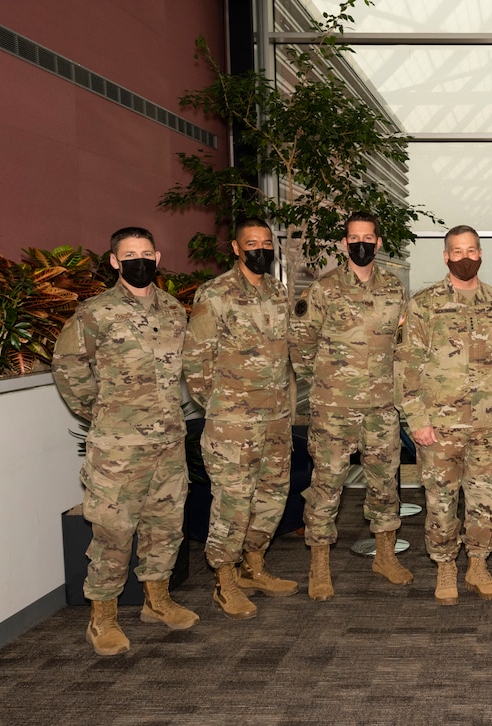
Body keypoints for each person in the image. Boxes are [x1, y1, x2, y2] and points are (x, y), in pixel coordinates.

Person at [53, 227, 198, 656]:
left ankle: (157, 601)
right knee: (113, 533)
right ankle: (103, 618)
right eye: (129, 254)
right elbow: (67, 364)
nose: (139, 260)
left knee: (165, 527)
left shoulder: (174, 309)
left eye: (146, 253)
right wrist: (99, 411)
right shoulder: (95, 312)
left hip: (169, 441)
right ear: (115, 261)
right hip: (119, 447)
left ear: (158, 256)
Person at [395, 225, 492, 605]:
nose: (465, 257)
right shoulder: (424, 304)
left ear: (481, 254)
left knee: (487, 502)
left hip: (488, 424)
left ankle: (478, 565)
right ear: (446, 256)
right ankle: (445, 566)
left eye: (472, 250)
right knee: (440, 502)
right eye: (458, 251)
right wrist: (417, 420)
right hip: (439, 426)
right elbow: (407, 365)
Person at [290, 212, 412, 601]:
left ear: (378, 243)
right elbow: (302, 345)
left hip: (381, 408)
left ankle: (385, 557)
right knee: (326, 487)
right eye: (353, 238)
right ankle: (320, 566)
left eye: (368, 238)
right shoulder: (323, 289)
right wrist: (328, 383)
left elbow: (402, 343)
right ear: (344, 244)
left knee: (385, 484)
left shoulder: (394, 288)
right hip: (334, 409)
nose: (361, 244)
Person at [183, 218, 297, 619]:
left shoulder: (278, 292)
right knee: (232, 503)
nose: (261, 249)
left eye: (267, 243)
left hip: (277, 420)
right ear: (236, 248)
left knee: (271, 497)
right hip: (233, 424)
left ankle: (254, 566)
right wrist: (220, 406)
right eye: (252, 243)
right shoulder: (215, 294)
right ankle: (224, 581)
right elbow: (196, 361)